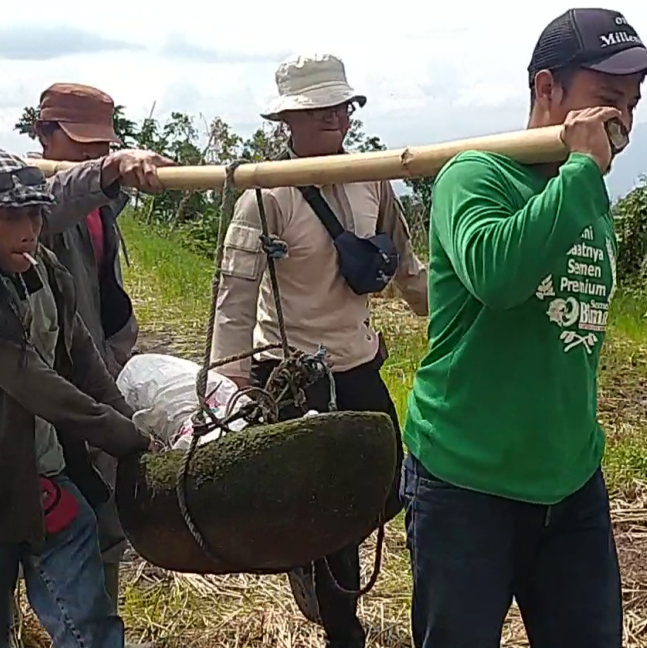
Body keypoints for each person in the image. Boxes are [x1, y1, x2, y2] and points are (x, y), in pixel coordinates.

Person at [399, 9, 647, 647]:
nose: (624, 122)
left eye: (632, 106)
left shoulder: (581, 186)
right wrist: (582, 172)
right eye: (607, 101)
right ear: (546, 89)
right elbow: (498, 278)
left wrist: (579, 176)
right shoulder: (474, 176)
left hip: (570, 478)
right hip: (466, 482)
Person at [210, 53, 428, 648]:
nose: (335, 117)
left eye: (341, 106)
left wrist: (456, 313)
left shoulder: (373, 177)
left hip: (357, 365)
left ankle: (309, 562)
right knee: (328, 514)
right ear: (289, 121)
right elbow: (234, 298)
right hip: (289, 372)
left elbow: (407, 267)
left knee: (392, 488)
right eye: (318, 108)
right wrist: (228, 393)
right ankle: (341, 626)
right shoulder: (263, 196)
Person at [0, 146, 157, 647]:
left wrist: (130, 422)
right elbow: (35, 385)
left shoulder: (43, 268)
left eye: (33, 213)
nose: (26, 229)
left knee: (90, 627)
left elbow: (83, 358)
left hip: (48, 482)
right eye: (7, 216)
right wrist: (122, 436)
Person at [29, 82, 174, 623]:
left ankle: (95, 621)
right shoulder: (26, 194)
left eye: (100, 144)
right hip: (44, 385)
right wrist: (108, 170)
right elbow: (54, 204)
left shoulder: (99, 205)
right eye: (80, 142)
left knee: (104, 512)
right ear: (43, 135)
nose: (93, 153)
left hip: (96, 368)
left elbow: (103, 288)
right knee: (50, 515)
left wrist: (116, 354)